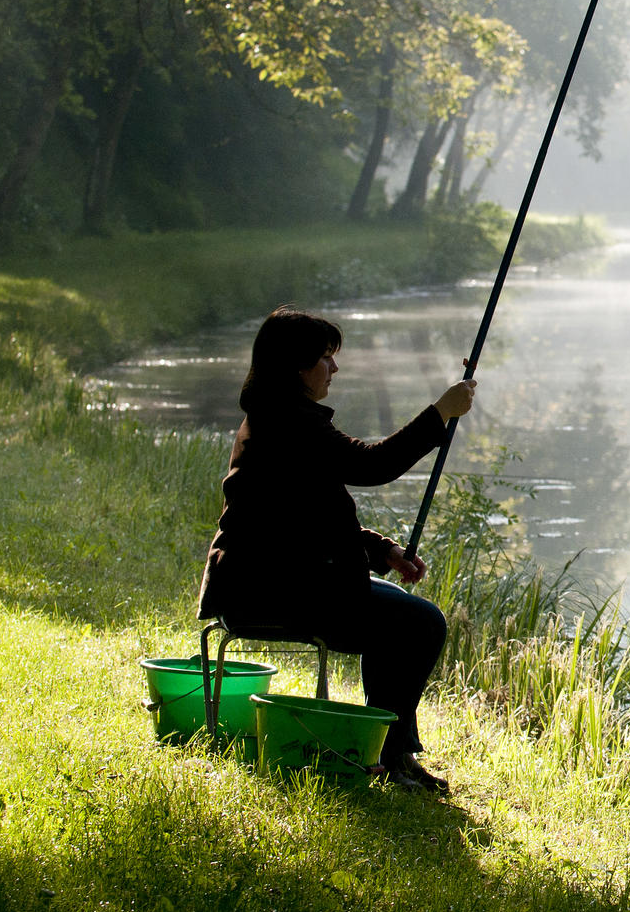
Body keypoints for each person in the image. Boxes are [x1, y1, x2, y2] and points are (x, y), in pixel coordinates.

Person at [196, 305, 476, 790]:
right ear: (296, 366)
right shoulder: (289, 424)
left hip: (281, 578)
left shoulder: (280, 419)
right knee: (419, 623)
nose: (335, 367)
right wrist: (440, 414)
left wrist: (382, 552)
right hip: (267, 590)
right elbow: (373, 466)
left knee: (407, 619)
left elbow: (311, 520)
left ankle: (391, 754)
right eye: (326, 357)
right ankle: (389, 755)